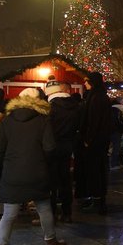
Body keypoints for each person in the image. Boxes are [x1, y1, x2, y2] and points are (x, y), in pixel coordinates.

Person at [0, 88, 65, 245]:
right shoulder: (42, 120)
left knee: (8, 214)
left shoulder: (6, 121)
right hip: (37, 170)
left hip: (12, 173)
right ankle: (52, 244)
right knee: (44, 208)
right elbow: (50, 148)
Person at [76, 71, 113, 214]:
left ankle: (98, 199)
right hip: (99, 141)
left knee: (95, 171)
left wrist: (88, 139)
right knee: (96, 171)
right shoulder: (98, 96)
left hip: (95, 142)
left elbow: (94, 121)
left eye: (87, 81)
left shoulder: (96, 98)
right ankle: (96, 197)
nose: (84, 84)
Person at [44, 80, 80, 224]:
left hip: (52, 147)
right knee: (65, 180)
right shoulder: (74, 106)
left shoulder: (50, 107)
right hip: (67, 146)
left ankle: (51, 213)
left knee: (52, 181)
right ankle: (67, 212)